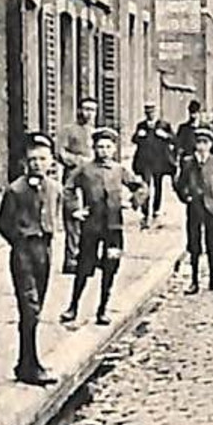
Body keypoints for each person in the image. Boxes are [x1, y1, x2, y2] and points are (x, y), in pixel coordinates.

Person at [60, 127, 144, 326]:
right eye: (100, 147)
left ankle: (102, 309)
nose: (104, 150)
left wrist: (133, 202)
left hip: (114, 228)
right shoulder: (85, 170)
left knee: (110, 267)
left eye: (107, 147)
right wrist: (75, 211)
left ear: (114, 149)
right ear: (94, 148)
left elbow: (140, 186)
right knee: (83, 266)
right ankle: (73, 306)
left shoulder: (119, 170)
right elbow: (68, 190)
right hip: (91, 228)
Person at [0, 133, 59, 385]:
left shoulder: (54, 188)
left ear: (51, 162)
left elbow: (55, 214)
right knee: (29, 308)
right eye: (32, 159)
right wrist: (19, 241)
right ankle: (30, 365)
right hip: (23, 252)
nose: (37, 163)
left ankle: (26, 363)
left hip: (45, 250)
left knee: (37, 307)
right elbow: (2, 223)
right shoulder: (15, 190)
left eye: (42, 159)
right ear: (25, 161)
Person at [175, 127, 213, 293]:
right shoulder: (188, 162)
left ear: (210, 145)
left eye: (205, 143)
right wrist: (186, 197)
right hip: (195, 206)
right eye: (199, 142)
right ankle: (194, 281)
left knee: (212, 243)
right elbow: (180, 184)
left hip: (210, 206)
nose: (201, 146)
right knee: (194, 243)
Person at [56, 98, 96, 274]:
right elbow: (60, 152)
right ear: (79, 110)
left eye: (92, 110)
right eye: (85, 109)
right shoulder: (68, 131)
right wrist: (79, 161)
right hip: (72, 180)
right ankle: (71, 259)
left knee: (90, 218)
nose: (88, 113)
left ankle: (86, 258)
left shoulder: (95, 133)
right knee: (73, 218)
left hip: (91, 181)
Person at [131, 103, 176, 229]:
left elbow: (174, 139)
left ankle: (156, 210)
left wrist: (165, 135)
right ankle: (145, 213)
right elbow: (134, 140)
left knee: (158, 186)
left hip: (159, 161)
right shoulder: (141, 125)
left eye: (152, 112)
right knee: (146, 186)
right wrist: (138, 136)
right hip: (145, 162)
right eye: (148, 112)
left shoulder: (164, 125)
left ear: (156, 112)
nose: (150, 114)